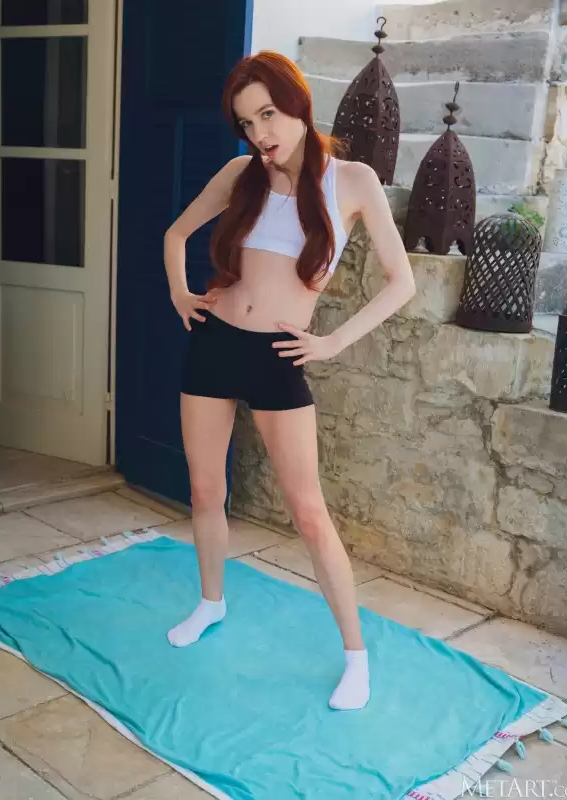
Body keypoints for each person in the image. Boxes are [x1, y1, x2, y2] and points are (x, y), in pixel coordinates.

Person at [163, 51, 416, 711]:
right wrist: (181, 293)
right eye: (247, 124)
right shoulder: (241, 175)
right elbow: (175, 233)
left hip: (279, 355)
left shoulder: (353, 181)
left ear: (298, 104)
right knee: (205, 489)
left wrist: (332, 342)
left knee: (308, 511)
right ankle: (211, 602)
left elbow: (403, 282)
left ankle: (356, 656)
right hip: (214, 344)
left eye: (268, 114)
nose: (260, 134)